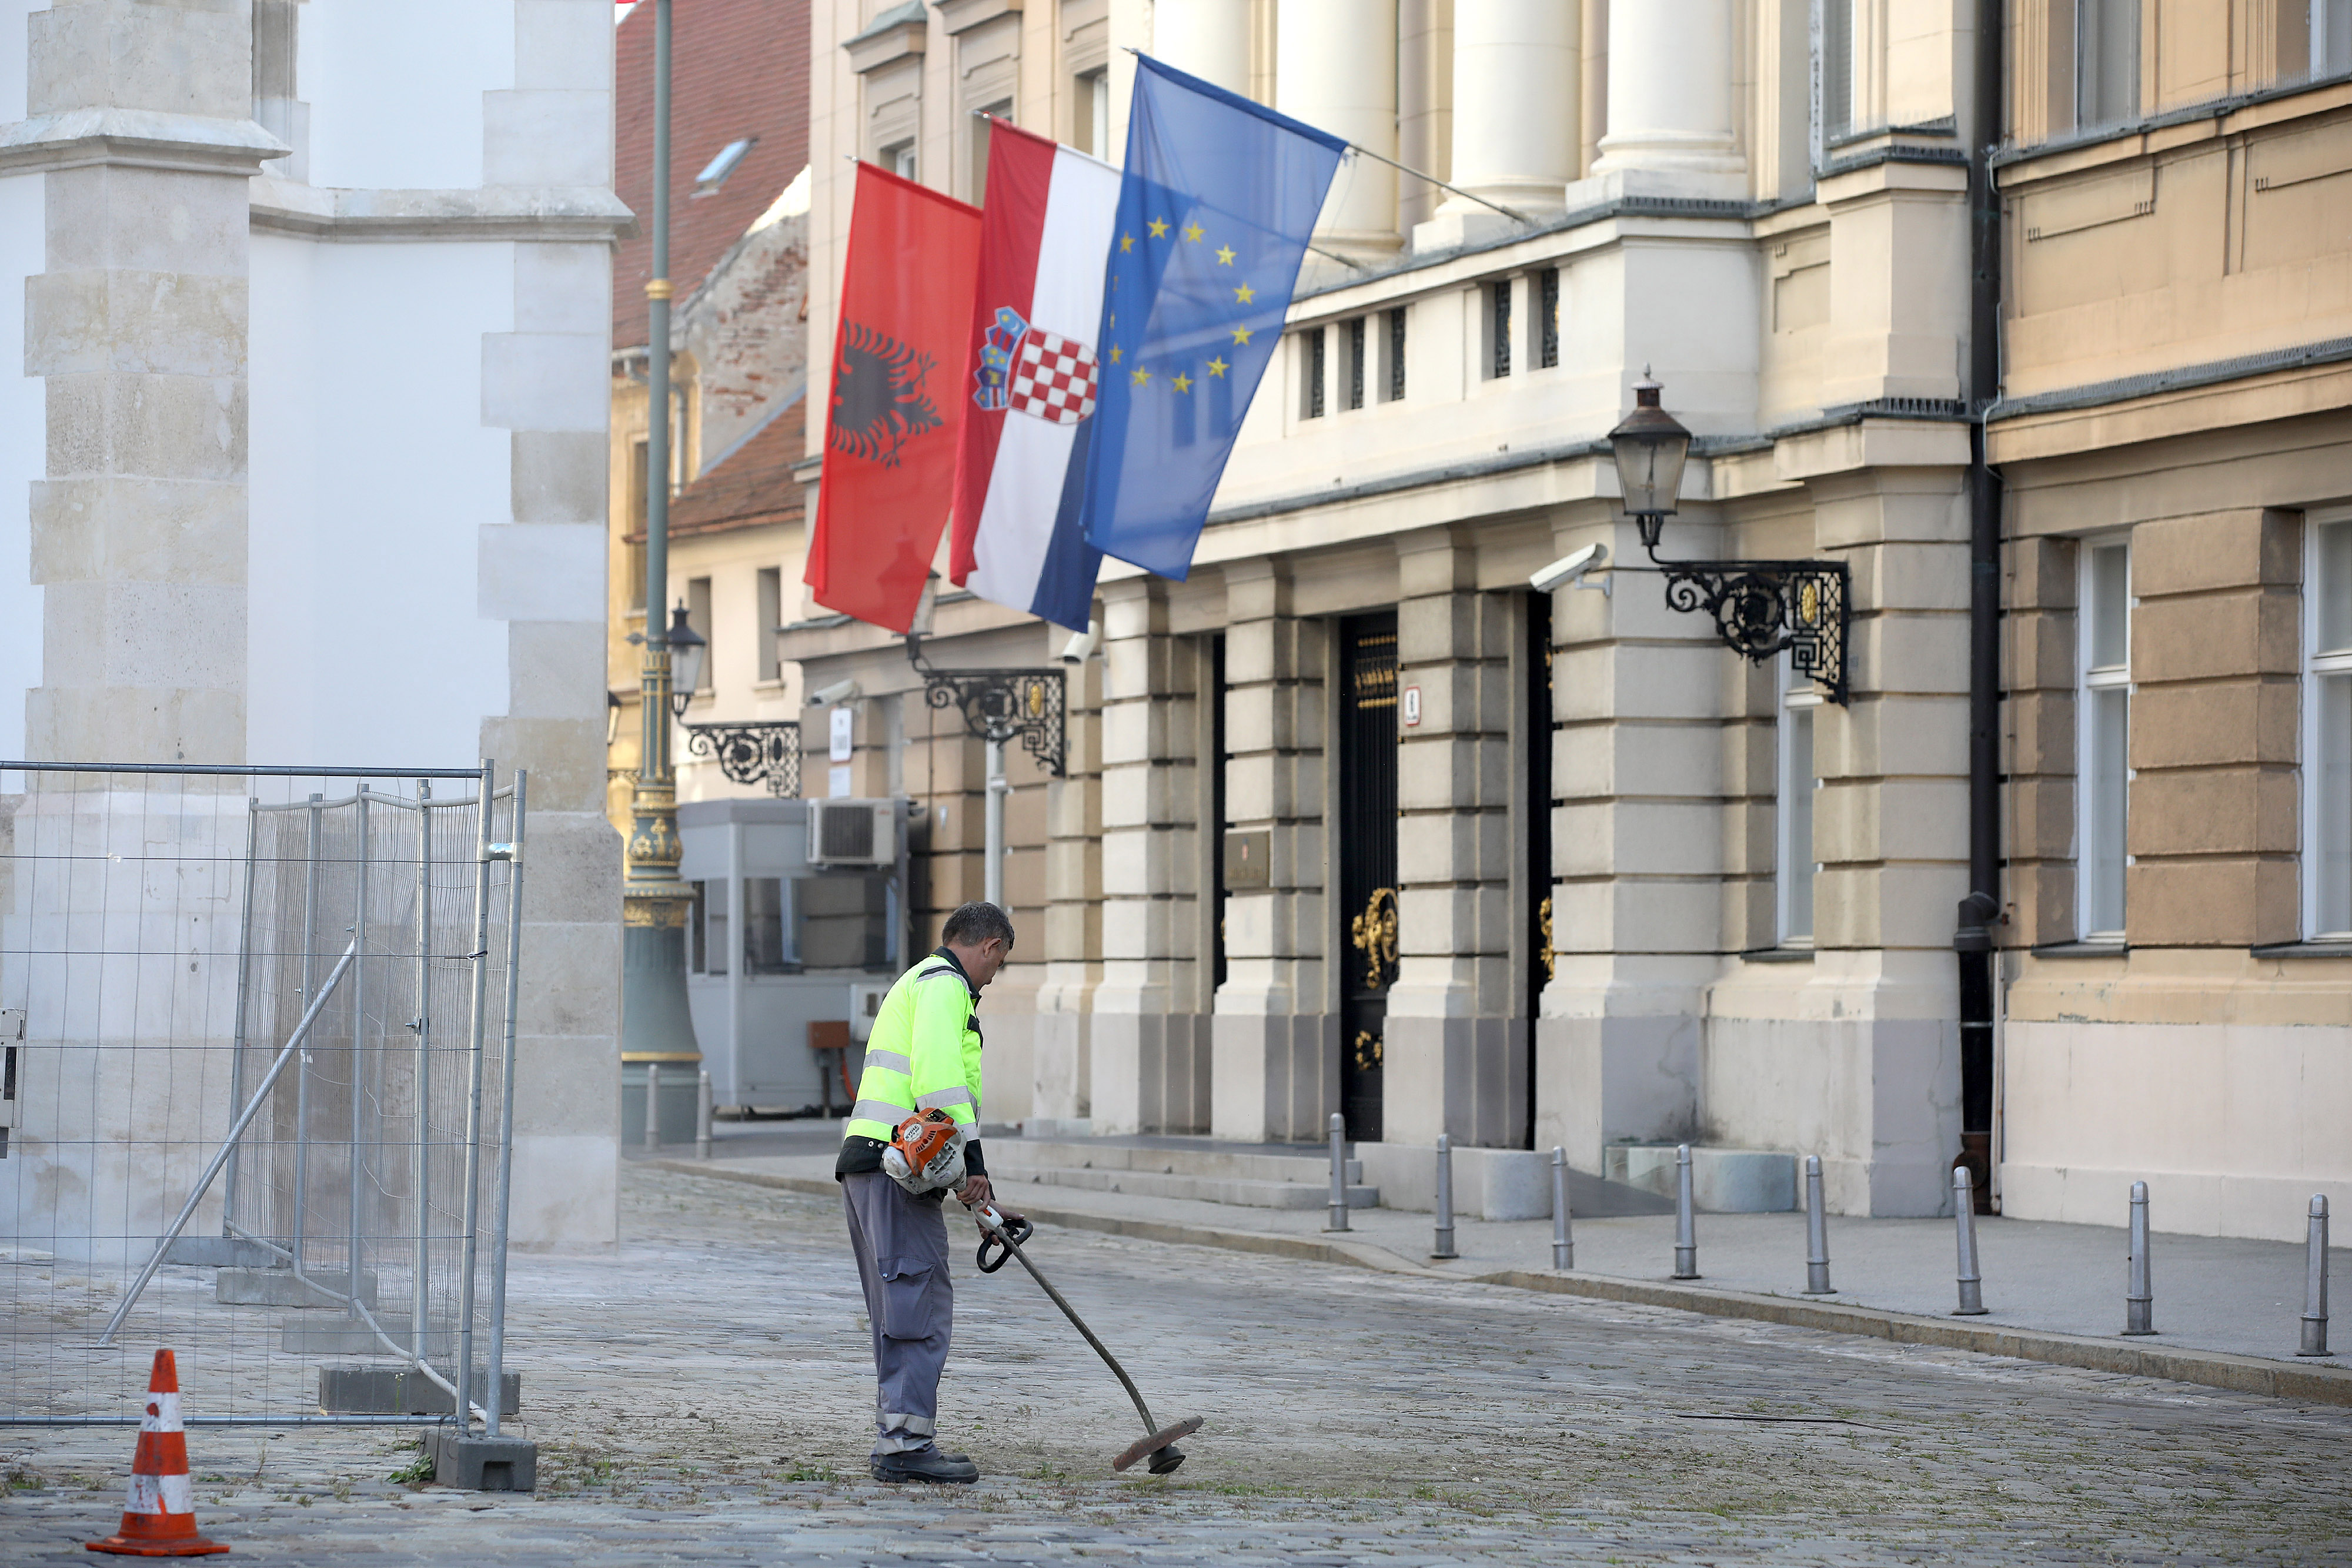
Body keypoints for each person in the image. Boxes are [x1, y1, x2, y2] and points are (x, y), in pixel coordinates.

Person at [836, 900, 1025, 1484]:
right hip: (897, 1170)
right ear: (989, 945)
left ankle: (900, 1436)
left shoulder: (918, 981)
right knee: (917, 1308)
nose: (995, 977)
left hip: (881, 1166)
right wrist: (971, 1165)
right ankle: (904, 1447)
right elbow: (940, 1084)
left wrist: (976, 1192)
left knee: (901, 1308)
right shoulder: (946, 987)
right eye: (1000, 963)